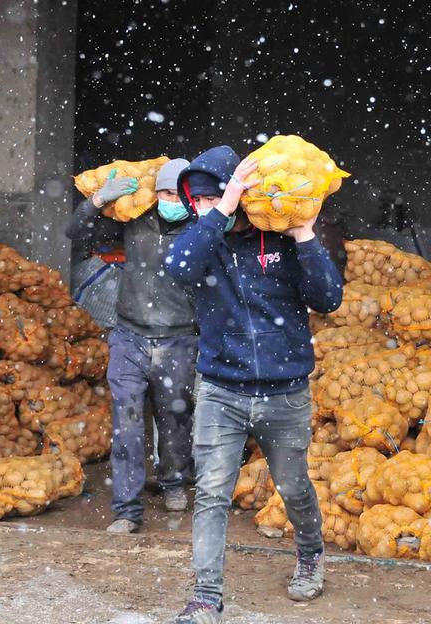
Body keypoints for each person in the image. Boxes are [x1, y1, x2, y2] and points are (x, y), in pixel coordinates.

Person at [164, 146, 344, 623]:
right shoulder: (202, 243)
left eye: (211, 198)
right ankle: (206, 596)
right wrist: (217, 213)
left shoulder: (283, 242)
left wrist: (305, 234)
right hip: (221, 392)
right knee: (211, 492)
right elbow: (179, 269)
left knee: (292, 485)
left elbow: (329, 298)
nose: (200, 209)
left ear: (246, 198)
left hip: (284, 393)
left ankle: (310, 554)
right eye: (195, 202)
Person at [65, 158, 198, 534]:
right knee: (127, 423)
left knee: (175, 416)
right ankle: (126, 509)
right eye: (164, 192)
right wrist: (96, 202)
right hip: (129, 336)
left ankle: (174, 480)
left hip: (179, 338)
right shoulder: (137, 219)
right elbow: (74, 232)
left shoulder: (199, 229)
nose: (169, 199)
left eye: (177, 193)